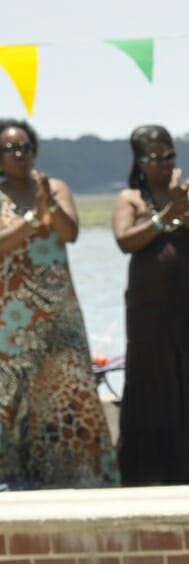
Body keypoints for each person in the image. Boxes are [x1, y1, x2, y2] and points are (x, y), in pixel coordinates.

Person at [0, 119, 118, 489]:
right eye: (10, 149)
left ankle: (80, 477)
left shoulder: (55, 187)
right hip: (12, 315)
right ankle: (13, 477)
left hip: (58, 312)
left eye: (25, 147)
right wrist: (34, 216)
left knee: (70, 391)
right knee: (12, 396)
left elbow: (70, 232)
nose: (20, 154)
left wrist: (48, 203)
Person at [111, 126, 189, 485]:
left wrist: (182, 208)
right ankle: (146, 470)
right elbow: (125, 241)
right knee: (150, 379)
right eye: (155, 158)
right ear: (140, 162)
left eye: (169, 156)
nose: (164, 164)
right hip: (149, 309)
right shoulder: (130, 198)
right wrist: (163, 216)